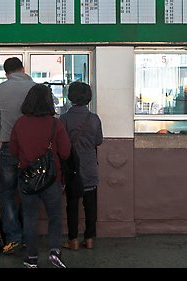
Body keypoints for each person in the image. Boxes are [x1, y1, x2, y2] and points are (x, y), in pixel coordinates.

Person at [9, 84, 71, 268]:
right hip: (52, 179)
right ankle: (54, 251)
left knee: (29, 217)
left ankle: (31, 257)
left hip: (27, 178)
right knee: (55, 216)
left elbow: (12, 150)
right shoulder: (55, 123)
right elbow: (66, 152)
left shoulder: (20, 123)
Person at [0, 57, 35, 255]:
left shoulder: (0, 89)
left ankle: (13, 237)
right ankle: (28, 237)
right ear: (23, 68)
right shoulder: (35, 87)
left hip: (9, 146)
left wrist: (6, 134)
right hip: (32, 149)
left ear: (6, 72)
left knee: (7, 193)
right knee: (29, 193)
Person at [59, 82, 103, 250]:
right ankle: (89, 238)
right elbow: (98, 141)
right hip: (90, 166)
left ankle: (73, 240)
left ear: (71, 97)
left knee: (72, 205)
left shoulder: (63, 119)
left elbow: (61, 145)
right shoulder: (94, 118)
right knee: (90, 204)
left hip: (72, 169)